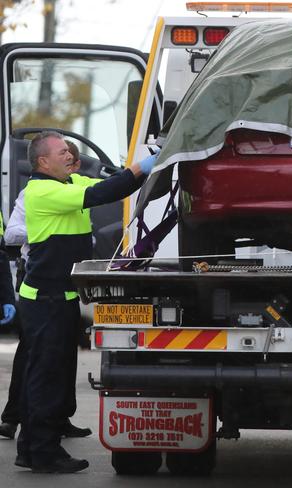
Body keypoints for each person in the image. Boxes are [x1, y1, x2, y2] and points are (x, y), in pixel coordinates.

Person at [15, 131, 157, 473]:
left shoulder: (67, 183)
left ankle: (30, 449)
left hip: (57, 299)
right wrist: (147, 162)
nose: (70, 155)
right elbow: (102, 192)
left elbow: (117, 186)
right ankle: (45, 453)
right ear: (42, 162)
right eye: (62, 151)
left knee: (45, 377)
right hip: (46, 302)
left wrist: (148, 166)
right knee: (46, 379)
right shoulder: (42, 191)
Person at [0, 141, 91, 441]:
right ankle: (13, 418)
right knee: (33, 354)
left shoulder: (71, 189)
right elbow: (13, 233)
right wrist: (45, 225)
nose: (70, 162)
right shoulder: (35, 193)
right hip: (36, 274)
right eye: (65, 156)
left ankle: (60, 418)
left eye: (73, 159)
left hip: (62, 280)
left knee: (64, 354)